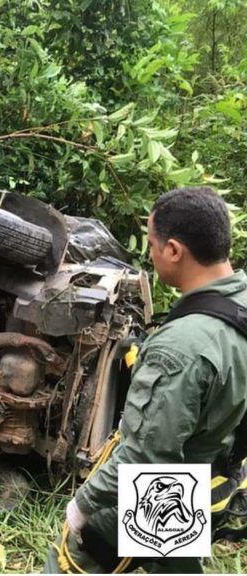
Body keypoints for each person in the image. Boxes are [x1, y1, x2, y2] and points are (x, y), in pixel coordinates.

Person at [45, 186, 247, 573]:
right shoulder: (238, 304)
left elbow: (145, 459)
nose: (150, 255)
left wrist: (83, 504)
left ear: (173, 250)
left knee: (70, 557)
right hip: (219, 474)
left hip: (170, 490)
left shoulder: (181, 349)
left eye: (153, 244)